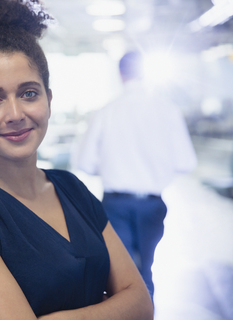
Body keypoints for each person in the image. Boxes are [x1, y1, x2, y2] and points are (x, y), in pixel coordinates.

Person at [0, 1, 153, 319]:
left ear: (49, 100)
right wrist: (110, 310)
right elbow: (129, 305)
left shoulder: (71, 188)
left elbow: (142, 305)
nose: (15, 114)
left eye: (29, 93)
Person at [77, 51, 197, 299]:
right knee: (145, 270)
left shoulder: (106, 111)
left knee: (121, 276)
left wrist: (115, 165)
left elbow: (85, 163)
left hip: (115, 204)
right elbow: (186, 162)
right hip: (152, 205)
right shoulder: (168, 110)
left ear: (120, 74)